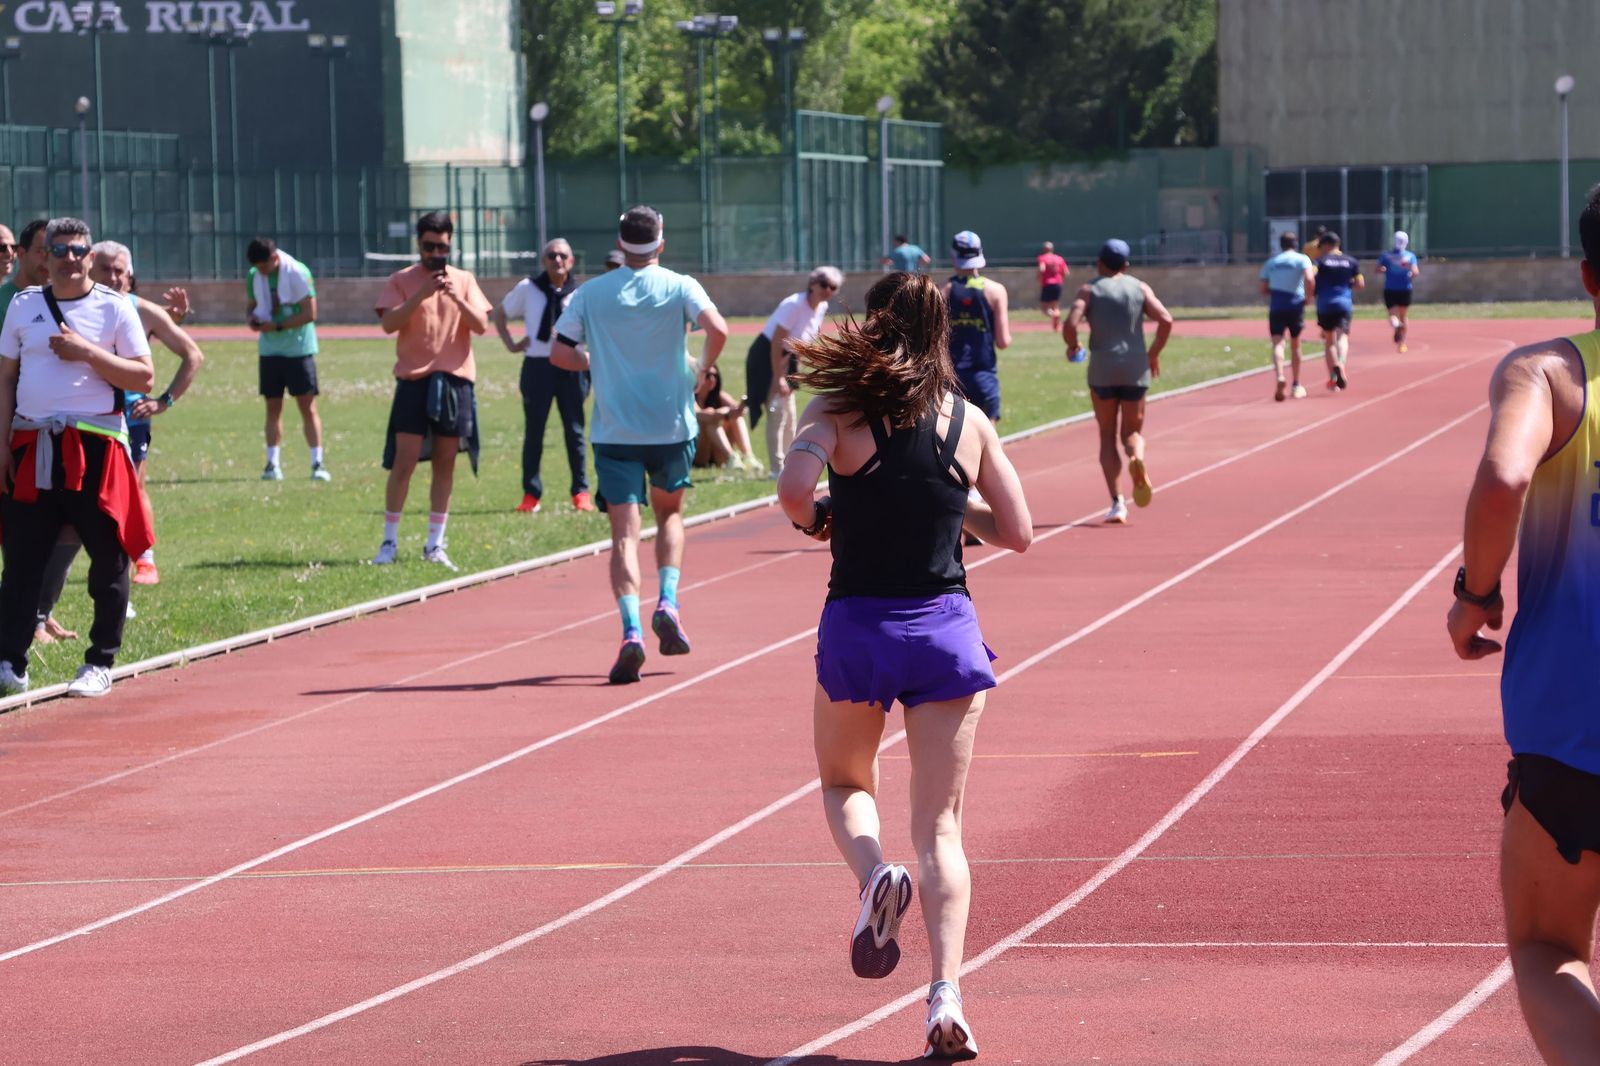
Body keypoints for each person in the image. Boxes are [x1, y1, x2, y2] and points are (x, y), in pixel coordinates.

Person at [776, 271, 1032, 1061]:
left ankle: (873, 875)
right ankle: (946, 996)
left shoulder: (837, 409)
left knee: (844, 783)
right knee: (943, 827)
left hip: (860, 624)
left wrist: (818, 516)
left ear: (872, 324)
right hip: (945, 629)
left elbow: (793, 489)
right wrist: (948, 505)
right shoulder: (969, 420)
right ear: (940, 332)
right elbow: (1019, 532)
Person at [1446, 184, 1600, 1065]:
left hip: (1572, 725)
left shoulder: (1548, 374)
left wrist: (1475, 593)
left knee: (1549, 946)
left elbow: (1504, 479)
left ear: (1588, 275)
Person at [550, 205, 729, 684]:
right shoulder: (680, 285)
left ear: (620, 243)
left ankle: (631, 630)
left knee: (624, 535)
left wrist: (597, 361)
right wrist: (700, 371)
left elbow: (559, 353)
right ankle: (667, 601)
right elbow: (719, 329)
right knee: (669, 515)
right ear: (661, 244)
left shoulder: (590, 293)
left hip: (615, 431)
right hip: (671, 426)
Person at [0, 217, 154, 699]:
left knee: (108, 556)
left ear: (90, 256)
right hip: (33, 444)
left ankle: (99, 661)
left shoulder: (114, 307)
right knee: (22, 560)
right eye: (59, 250)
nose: (69, 258)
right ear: (43, 256)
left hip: (96, 445)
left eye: (78, 250)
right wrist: (2, 444)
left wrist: (86, 352)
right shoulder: (23, 305)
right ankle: (10, 662)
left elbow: (143, 377)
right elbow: (5, 379)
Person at [372, 211, 493, 571]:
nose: (435, 254)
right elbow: (389, 324)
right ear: (418, 244)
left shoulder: (464, 279)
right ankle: (389, 542)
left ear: (450, 244)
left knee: (445, 463)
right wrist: (421, 295)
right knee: (404, 462)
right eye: (429, 247)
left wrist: (457, 299)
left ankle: (435, 544)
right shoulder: (401, 280)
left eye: (442, 247)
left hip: (455, 381)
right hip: (414, 380)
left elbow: (482, 325)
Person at [89, 240, 205, 585]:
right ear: (89, 268)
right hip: (84, 413)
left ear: (130, 275)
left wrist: (164, 401)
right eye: (105, 269)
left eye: (119, 271)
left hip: (131, 415)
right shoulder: (74, 305)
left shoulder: (143, 311)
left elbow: (193, 355)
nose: (112, 277)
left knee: (134, 486)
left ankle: (145, 561)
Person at [1063, 238, 1173, 525]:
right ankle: (1136, 455)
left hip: (1103, 369)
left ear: (1099, 263)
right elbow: (1166, 319)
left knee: (1106, 434)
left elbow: (1070, 324)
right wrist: (1152, 354)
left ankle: (1117, 503)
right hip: (1135, 368)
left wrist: (1073, 346)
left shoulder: (1089, 289)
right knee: (1132, 432)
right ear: (1126, 265)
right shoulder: (1140, 288)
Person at [494, 238, 595, 514]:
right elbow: (500, 314)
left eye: (562, 255)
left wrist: (584, 352)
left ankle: (581, 492)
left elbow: (594, 328)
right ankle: (531, 494)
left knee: (575, 430)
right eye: (551, 255)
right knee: (534, 431)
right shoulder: (528, 288)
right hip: (538, 367)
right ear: (543, 261)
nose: (557, 260)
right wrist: (511, 344)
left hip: (571, 367)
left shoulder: (582, 293)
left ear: (571, 261)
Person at [245, 237, 328, 482]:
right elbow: (251, 305)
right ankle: (272, 464)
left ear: (274, 258)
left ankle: (317, 463)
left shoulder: (298, 272)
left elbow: (310, 313)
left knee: (307, 407)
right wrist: (252, 319)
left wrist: (278, 325)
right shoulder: (254, 275)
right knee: (273, 408)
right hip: (270, 351)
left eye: (264, 266)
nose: (261, 272)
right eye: (257, 267)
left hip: (298, 350)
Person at [746, 266, 841, 478]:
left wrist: (795, 372)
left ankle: (790, 464)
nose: (828, 290)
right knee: (777, 412)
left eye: (833, 287)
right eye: (824, 285)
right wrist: (778, 377)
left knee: (790, 414)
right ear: (813, 284)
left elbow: (805, 340)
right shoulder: (794, 304)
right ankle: (776, 468)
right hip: (767, 358)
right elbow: (776, 342)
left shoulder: (822, 306)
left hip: (789, 359)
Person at [946, 231, 1012, 424]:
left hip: (951, 377)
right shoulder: (996, 291)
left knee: (951, 438)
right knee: (987, 438)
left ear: (953, 256)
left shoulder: (941, 290)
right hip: (983, 376)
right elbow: (1003, 342)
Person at [1259, 231, 1317, 401]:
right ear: (1295, 243)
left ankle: (1280, 376)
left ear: (1281, 244)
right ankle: (1296, 384)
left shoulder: (1272, 262)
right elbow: (1310, 279)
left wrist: (1274, 292)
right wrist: (1308, 297)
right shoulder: (1302, 259)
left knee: (1278, 343)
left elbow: (1262, 288)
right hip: (1295, 305)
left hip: (1277, 306)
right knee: (1295, 345)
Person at [1313, 232, 1364, 392]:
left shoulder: (1320, 261)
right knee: (1343, 337)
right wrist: (1347, 285)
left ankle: (1333, 379)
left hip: (1325, 304)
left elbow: (1310, 276)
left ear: (1326, 245)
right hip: (1344, 303)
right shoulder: (1351, 262)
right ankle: (1341, 363)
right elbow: (1360, 283)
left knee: (1329, 341)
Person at [693, 363, 758, 470]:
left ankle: (747, 456)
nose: (712, 379)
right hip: (701, 453)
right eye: (708, 376)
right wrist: (723, 413)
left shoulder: (719, 395)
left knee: (736, 418)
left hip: (718, 455)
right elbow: (701, 415)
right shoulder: (691, 397)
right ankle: (732, 457)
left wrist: (739, 407)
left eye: (715, 376)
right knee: (711, 421)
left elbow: (739, 410)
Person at [1376, 230, 1421, 352]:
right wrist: (1409, 273)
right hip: (1405, 289)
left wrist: (1384, 269)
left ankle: (1397, 325)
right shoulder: (1410, 256)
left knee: (1392, 315)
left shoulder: (1386, 255)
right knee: (1403, 316)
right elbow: (1415, 272)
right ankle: (1402, 343)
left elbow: (1378, 269)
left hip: (1390, 289)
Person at [1036, 240, 1070, 331]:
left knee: (1044, 308)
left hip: (1047, 283)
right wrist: (1060, 279)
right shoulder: (1059, 258)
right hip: (1058, 284)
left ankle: (1054, 315)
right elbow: (1066, 272)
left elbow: (1042, 269)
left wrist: (1039, 277)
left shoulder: (1042, 258)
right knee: (1055, 306)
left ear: (1044, 249)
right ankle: (1056, 327)